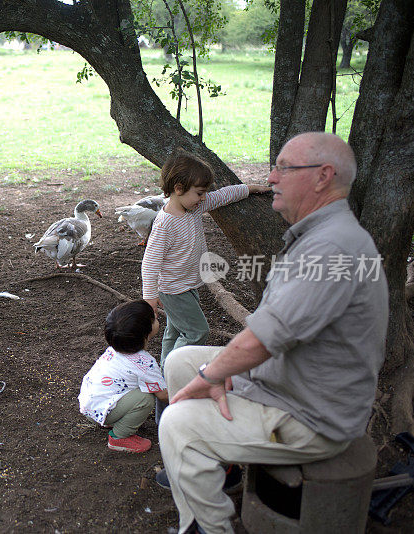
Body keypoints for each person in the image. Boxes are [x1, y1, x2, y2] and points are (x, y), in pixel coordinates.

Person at [157, 132, 389, 534]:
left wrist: (212, 376)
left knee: (178, 423)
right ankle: (222, 471)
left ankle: (209, 529)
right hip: (289, 381)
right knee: (180, 360)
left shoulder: (332, 247)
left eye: (284, 168)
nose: (273, 177)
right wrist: (208, 374)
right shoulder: (320, 235)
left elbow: (264, 338)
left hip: (313, 413)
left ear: (322, 177)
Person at [141, 152, 271, 421]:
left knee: (175, 330)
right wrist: (150, 298)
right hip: (173, 289)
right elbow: (150, 263)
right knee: (198, 331)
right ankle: (173, 374)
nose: (203, 198)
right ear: (178, 189)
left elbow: (223, 195)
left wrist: (251, 188)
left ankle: (166, 371)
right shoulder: (164, 223)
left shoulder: (195, 206)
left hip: (189, 285)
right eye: (199, 193)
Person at [78, 300, 167, 453]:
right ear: (146, 333)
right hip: (104, 412)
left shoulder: (114, 349)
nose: (156, 319)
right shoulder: (145, 363)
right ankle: (119, 437)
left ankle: (113, 418)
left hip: (90, 407)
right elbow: (163, 395)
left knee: (138, 389)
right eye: (154, 319)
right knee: (146, 398)